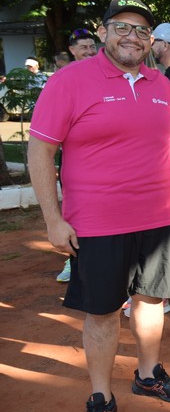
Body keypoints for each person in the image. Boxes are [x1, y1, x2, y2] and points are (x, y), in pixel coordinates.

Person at [28, 0, 170, 412]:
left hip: (159, 219)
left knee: (152, 302)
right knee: (101, 314)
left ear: (150, 41)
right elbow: (41, 149)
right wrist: (53, 219)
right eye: (122, 27)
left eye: (141, 31)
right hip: (97, 224)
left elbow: (169, 140)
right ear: (103, 32)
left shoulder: (161, 84)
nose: (132, 37)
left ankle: (148, 373)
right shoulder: (70, 81)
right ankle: (100, 396)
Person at [55, 28, 99, 283]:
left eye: (92, 46)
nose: (89, 51)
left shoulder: (104, 75)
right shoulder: (65, 78)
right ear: (71, 50)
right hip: (74, 158)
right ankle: (73, 260)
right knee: (77, 211)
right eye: (83, 47)